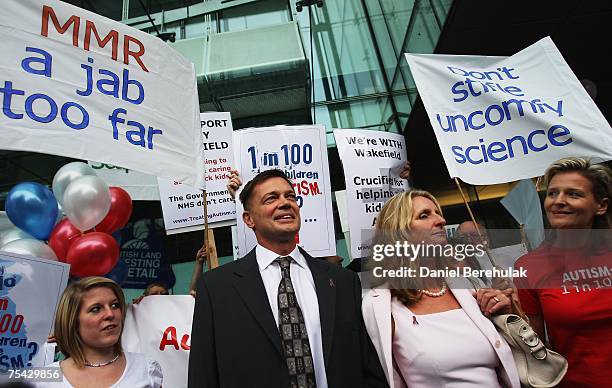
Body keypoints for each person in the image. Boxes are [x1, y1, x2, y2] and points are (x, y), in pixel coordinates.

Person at [189, 169, 388, 388]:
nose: (285, 203)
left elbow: (366, 366)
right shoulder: (217, 287)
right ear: (249, 219)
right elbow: (203, 373)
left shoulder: (342, 281)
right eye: (271, 198)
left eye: (290, 196)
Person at [362, 190, 521, 388]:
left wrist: (508, 313)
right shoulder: (379, 305)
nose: (441, 220)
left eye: (438, 212)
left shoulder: (468, 284)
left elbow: (509, 357)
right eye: (424, 215)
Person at [514, 157, 612, 387]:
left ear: (601, 205)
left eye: (573, 194)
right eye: (552, 193)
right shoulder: (529, 266)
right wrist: (510, 311)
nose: (558, 201)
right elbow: (535, 348)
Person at [37, 277, 162, 388]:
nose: (110, 314)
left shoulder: (146, 368)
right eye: (96, 309)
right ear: (73, 320)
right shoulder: (43, 379)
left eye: (115, 305)